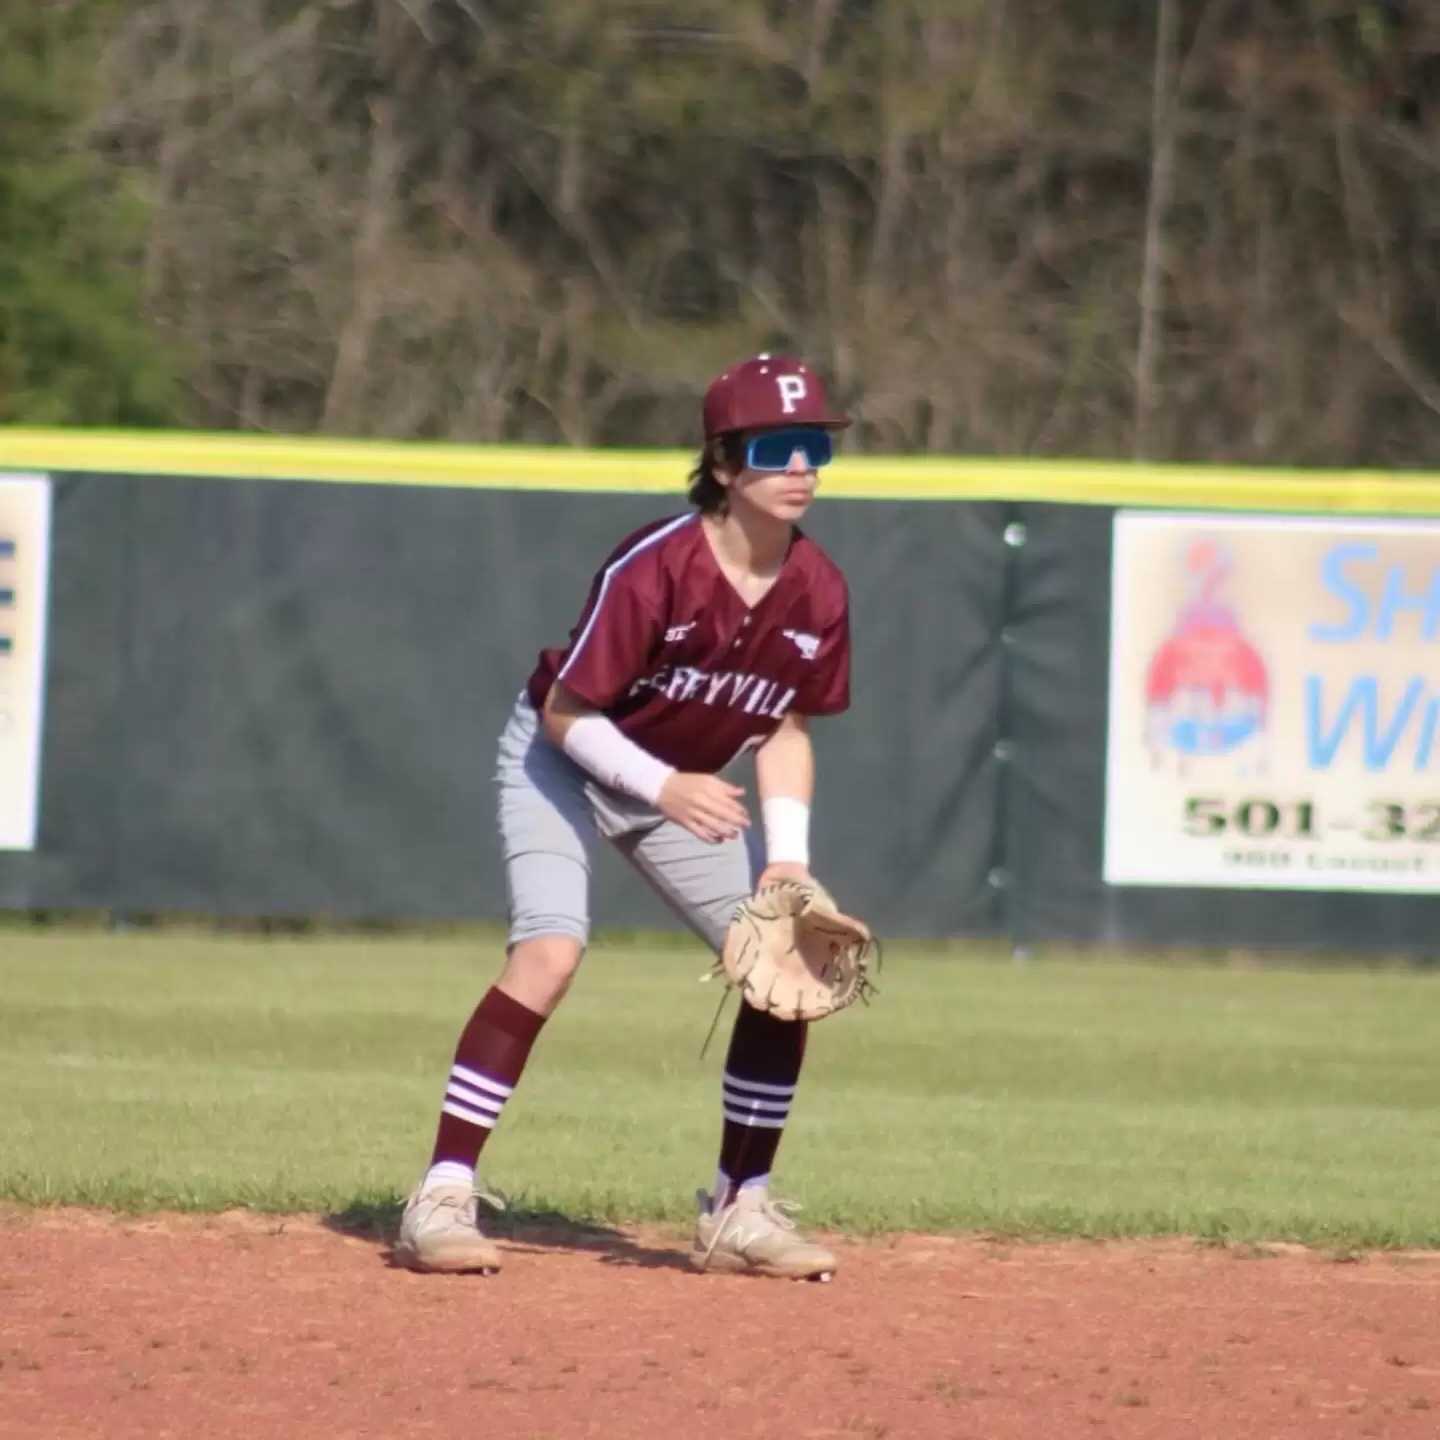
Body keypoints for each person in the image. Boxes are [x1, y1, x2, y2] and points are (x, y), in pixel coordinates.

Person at [395, 354, 855, 1281]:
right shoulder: (658, 567)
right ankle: (441, 1192)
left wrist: (788, 859)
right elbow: (567, 713)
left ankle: (738, 1209)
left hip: (679, 787)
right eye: (776, 448)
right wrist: (664, 787)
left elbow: (785, 728)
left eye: (816, 445)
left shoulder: (818, 589)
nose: (802, 466)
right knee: (550, 952)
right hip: (564, 760)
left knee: (779, 966)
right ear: (723, 463)